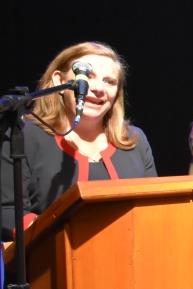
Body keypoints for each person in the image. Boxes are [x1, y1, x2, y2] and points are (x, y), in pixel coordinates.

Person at [2, 41, 157, 233]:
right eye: (87, 76)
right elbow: (7, 210)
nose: (99, 87)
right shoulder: (25, 135)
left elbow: (153, 210)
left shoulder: (135, 140)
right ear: (59, 80)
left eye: (109, 81)